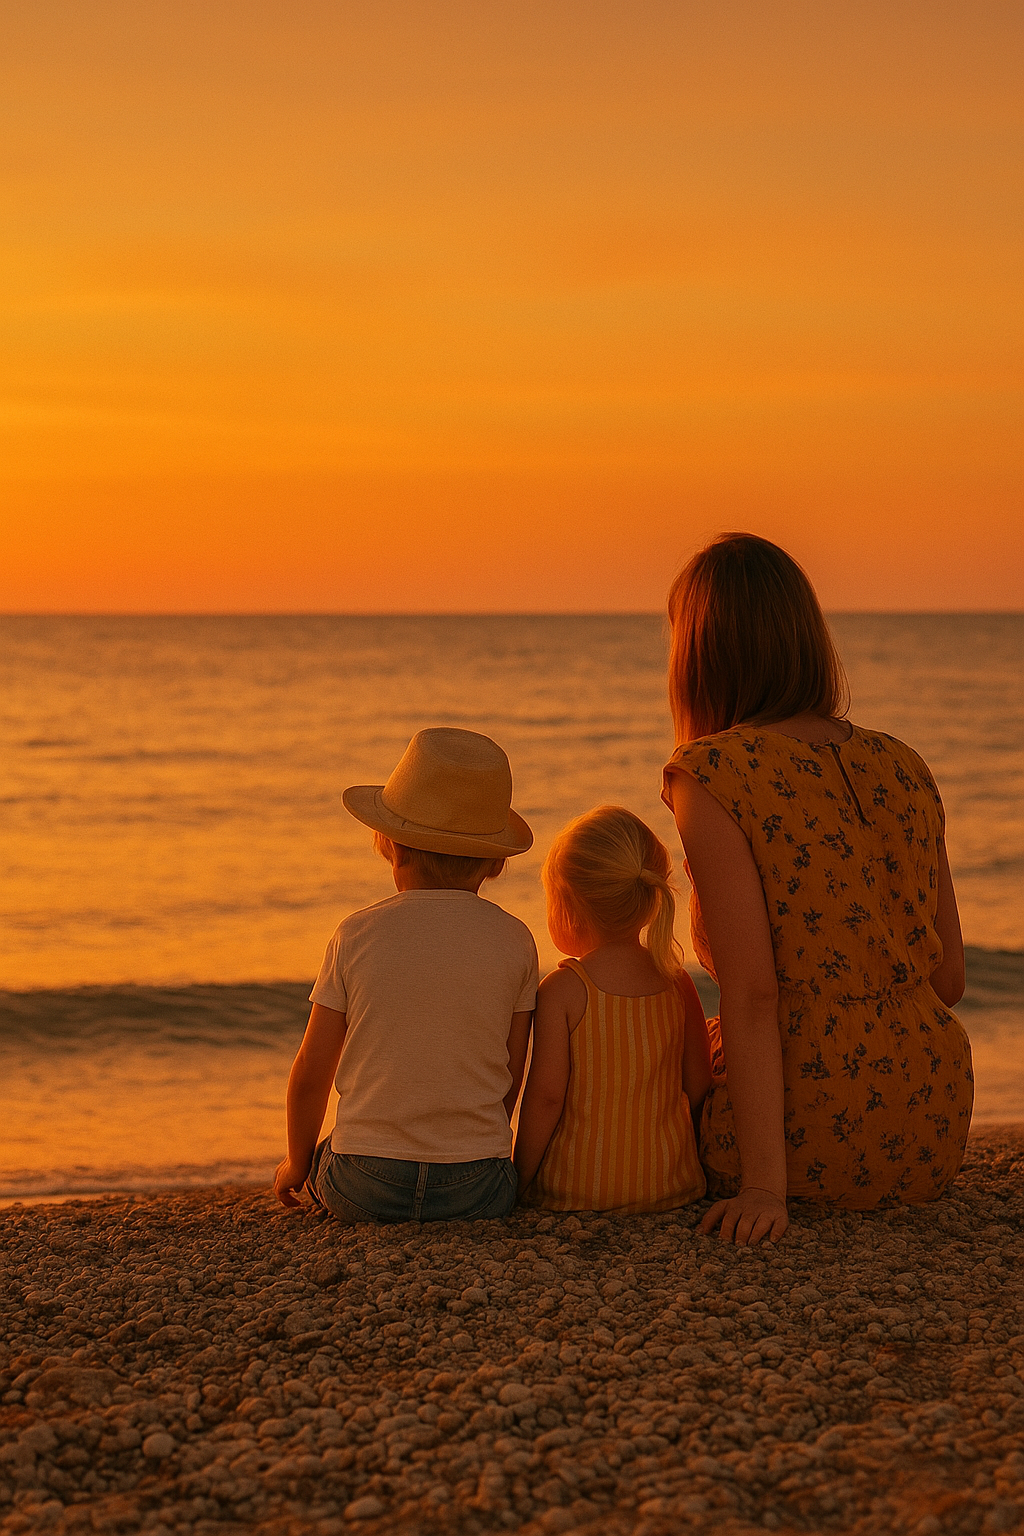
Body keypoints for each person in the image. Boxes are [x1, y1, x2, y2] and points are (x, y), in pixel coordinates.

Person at [661, 533, 972, 1246]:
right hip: (933, 1123)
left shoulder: (710, 773)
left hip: (807, 1137)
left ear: (700, 654)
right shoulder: (903, 763)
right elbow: (947, 978)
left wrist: (765, 1187)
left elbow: (754, 994)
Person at [274, 727, 538, 1222]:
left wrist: (295, 1161)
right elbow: (511, 1069)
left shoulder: (356, 934)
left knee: (334, 1149)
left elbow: (313, 1070)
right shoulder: (516, 939)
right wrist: (473, 1145)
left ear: (391, 846)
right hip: (477, 1188)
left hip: (364, 1183)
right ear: (494, 863)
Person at [515, 805, 711, 1212]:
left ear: (566, 907)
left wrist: (518, 1183)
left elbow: (546, 1099)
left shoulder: (564, 990)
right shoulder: (677, 982)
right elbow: (697, 1086)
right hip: (670, 1186)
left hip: (576, 1190)